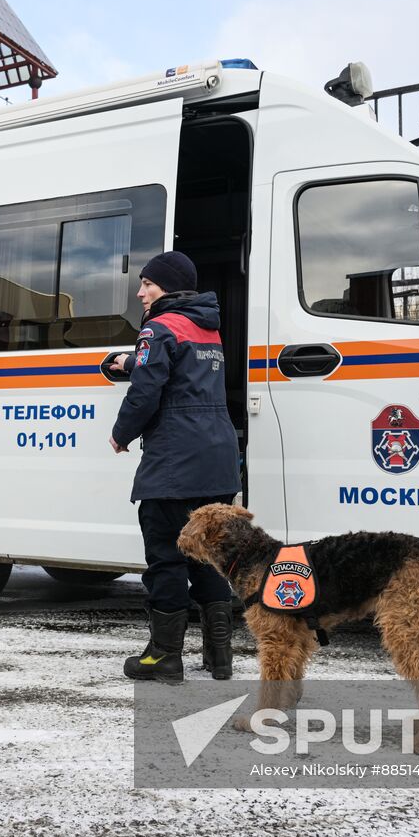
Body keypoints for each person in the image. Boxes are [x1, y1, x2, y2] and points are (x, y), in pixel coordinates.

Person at [110, 251, 241, 681]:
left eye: (148, 283)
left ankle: (164, 656)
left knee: (167, 557)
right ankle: (219, 658)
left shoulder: (158, 327)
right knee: (208, 555)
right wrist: (134, 363)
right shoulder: (208, 326)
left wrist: (121, 434)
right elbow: (183, 378)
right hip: (217, 460)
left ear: (168, 286)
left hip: (175, 464)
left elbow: (147, 393)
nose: (140, 291)